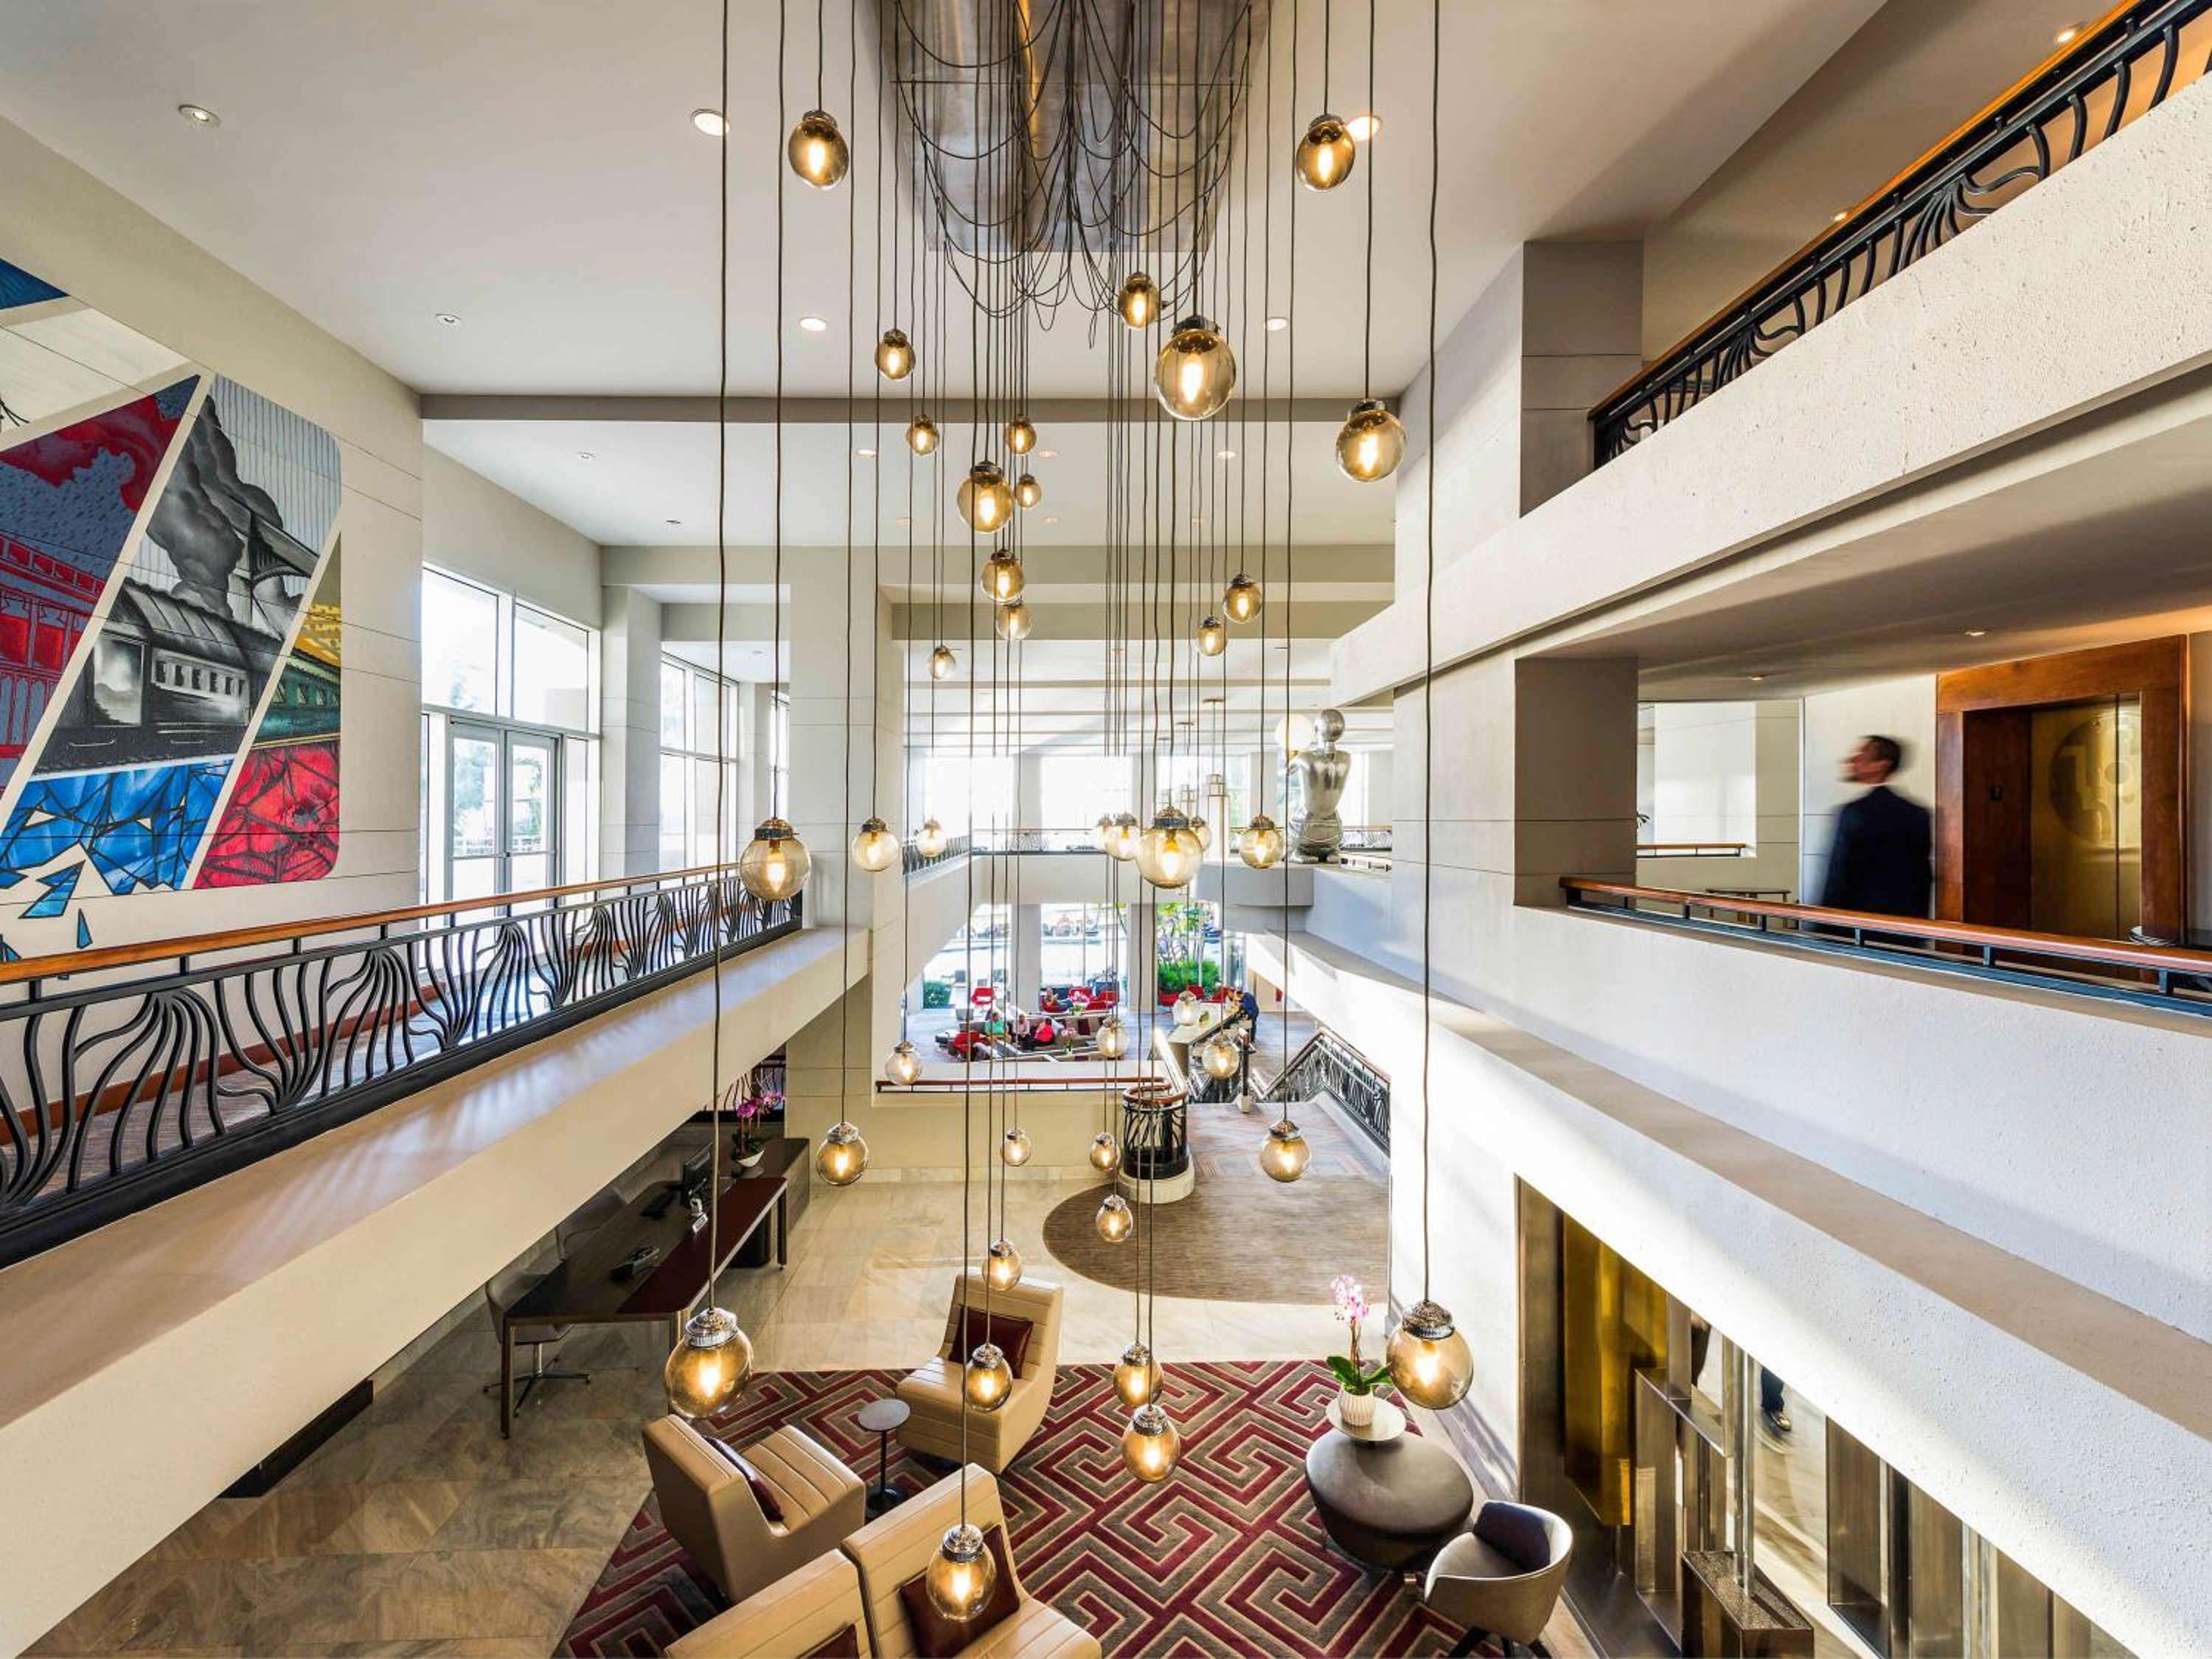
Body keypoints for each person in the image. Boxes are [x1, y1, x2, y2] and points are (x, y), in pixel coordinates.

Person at [1820, 735, 1932, 919]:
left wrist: (1825, 922)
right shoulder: (1918, 813)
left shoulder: (1855, 811)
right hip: (1906, 923)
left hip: (1857, 922)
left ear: (1881, 765)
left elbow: (1838, 876)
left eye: (1862, 755)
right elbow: (1923, 877)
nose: (1852, 760)